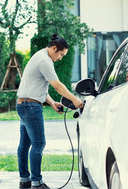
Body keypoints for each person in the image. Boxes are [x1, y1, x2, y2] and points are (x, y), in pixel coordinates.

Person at [16, 34, 84, 189]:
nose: (60, 58)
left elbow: (37, 86)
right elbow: (57, 85)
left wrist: (52, 102)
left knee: (24, 145)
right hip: (31, 107)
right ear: (54, 48)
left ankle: (24, 181)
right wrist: (75, 100)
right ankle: (37, 183)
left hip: (23, 103)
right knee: (39, 143)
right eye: (61, 54)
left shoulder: (39, 56)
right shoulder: (45, 60)